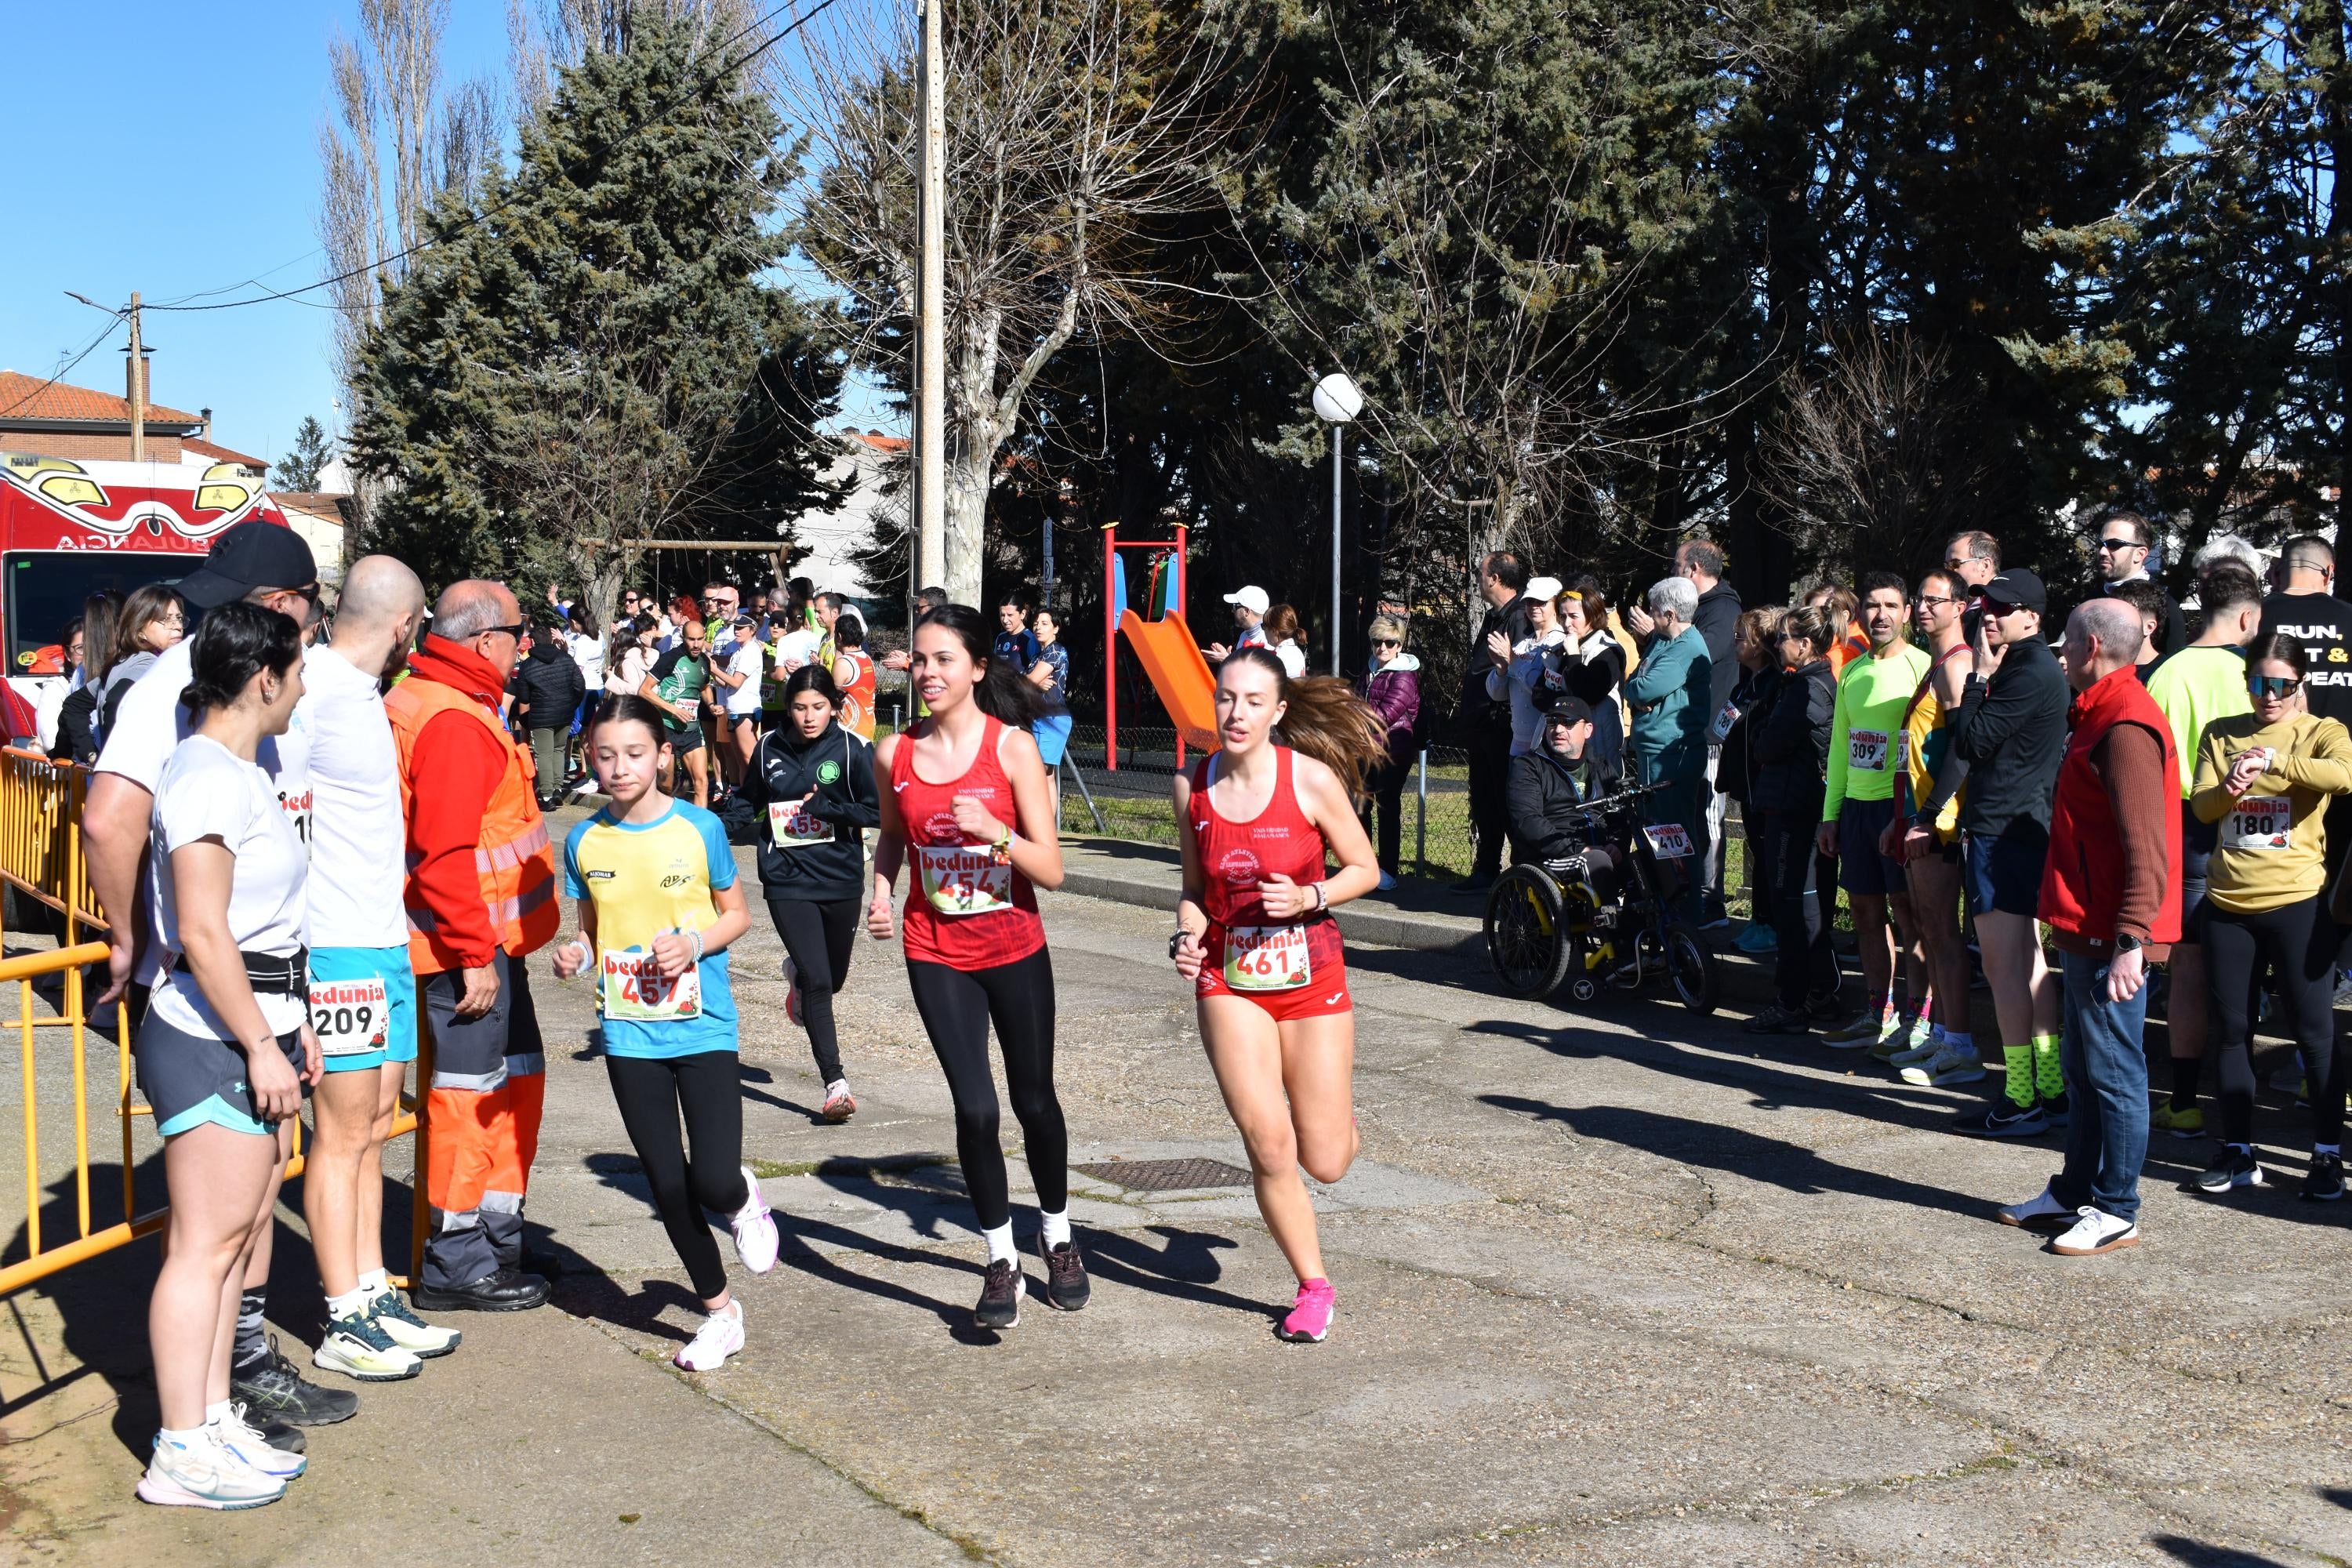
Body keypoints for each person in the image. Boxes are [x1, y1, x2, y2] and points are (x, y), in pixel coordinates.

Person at [83, 521, 352, 1437]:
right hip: (208, 1002)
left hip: (257, 996)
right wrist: (130, 941)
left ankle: (230, 1383)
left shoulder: (237, 716)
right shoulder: (185, 706)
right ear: (280, 617)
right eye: (306, 621)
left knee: (245, 1211)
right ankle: (199, 1416)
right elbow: (111, 819)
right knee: (210, 1233)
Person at [131, 602, 319, 1509]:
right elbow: (204, 931)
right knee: (204, 1248)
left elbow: (265, 925)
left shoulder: (235, 771)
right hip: (211, 1035)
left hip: (255, 1022)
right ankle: (179, 1444)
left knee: (237, 1238)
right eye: (299, 669)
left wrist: (295, 1025)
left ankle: (208, 1421)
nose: (303, 686)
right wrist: (259, 1040)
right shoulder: (206, 775)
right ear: (263, 679)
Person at [866, 604, 1080, 1330]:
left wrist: (998, 836)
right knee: (976, 1109)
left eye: (944, 659)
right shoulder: (893, 752)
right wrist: (880, 892)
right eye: (919, 659)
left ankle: (1056, 1235)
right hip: (935, 948)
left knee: (1035, 1103)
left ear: (979, 668)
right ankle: (999, 1261)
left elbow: (1050, 870)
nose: (927, 672)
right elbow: (893, 837)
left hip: (1015, 946)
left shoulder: (1013, 750)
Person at [554, 695, 780, 1370]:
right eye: (604, 755)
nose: (618, 768)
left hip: (703, 1024)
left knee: (710, 1178)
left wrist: (693, 943)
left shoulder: (699, 828)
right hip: (627, 1030)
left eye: (633, 754)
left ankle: (741, 1199)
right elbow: (593, 934)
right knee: (666, 1181)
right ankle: (720, 1314)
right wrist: (576, 956)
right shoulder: (583, 841)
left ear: (660, 756)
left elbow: (736, 915)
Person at [1171, 648, 1385, 1342]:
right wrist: (1184, 934)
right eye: (1227, 699)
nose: (1236, 714)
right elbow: (1194, 894)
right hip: (1229, 977)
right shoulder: (1192, 786)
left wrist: (1309, 895)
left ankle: (1339, 1122)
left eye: (1253, 702)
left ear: (1279, 712)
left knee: (1323, 1159)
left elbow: (1366, 869)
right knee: (1268, 1142)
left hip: (1310, 972)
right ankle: (1313, 1286)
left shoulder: (1311, 781)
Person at [296, 557, 460, 1385]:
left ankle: (369, 1287)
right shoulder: (313, 688)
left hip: (380, 937)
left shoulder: (357, 694)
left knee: (371, 1128)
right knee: (342, 1130)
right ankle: (342, 1314)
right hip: (337, 946)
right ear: (406, 624)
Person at [390, 580, 561, 1314]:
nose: (525, 644)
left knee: (510, 1085)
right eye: (519, 632)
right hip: (467, 954)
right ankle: (459, 1264)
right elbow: (444, 854)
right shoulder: (453, 720)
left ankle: (494, 1234)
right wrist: (472, 953)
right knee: (468, 1102)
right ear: (488, 639)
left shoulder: (434, 700)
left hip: (488, 948)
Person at [1998, 598, 2180, 1257]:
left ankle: (2117, 1207)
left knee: (2114, 1071)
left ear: (2094, 645)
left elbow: (2147, 846)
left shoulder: (2125, 722)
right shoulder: (2098, 711)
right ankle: (2076, 1191)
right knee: (2081, 1067)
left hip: (2113, 934)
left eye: (2067, 642)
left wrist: (2133, 939)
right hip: (2087, 926)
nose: (2059, 651)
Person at [2188, 635, 2352, 1200]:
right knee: (2233, 1033)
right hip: (2229, 906)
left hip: (2299, 903)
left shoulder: (2322, 732)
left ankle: (2328, 1155)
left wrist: (2278, 760)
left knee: (2315, 1034)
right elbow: (2202, 807)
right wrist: (2232, 787)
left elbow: (2342, 777)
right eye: (2260, 684)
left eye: (2281, 685)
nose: (2269, 696)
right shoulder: (2221, 732)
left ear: (2300, 684)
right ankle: (2238, 1151)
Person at [1921, 568, 2071, 1136]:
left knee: (2009, 969)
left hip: (2004, 830)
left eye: (2005, 607)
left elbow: (1972, 742)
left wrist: (1977, 680)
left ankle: (2021, 1095)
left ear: (2032, 617)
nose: (1992, 613)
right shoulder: (2031, 666)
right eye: (1988, 603)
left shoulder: (2026, 670)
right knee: (2028, 965)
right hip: (2014, 826)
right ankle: (2050, 1090)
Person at [2142, 564, 2262, 1138]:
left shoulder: (2168, 672)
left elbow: (2152, 759)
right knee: (2253, 957)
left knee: (2186, 964)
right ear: (2246, 616)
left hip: (2185, 824)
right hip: (2254, 826)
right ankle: (2244, 1094)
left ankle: (2185, 1100)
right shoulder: (2262, 674)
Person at [742, 667, 880, 1123]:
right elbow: (747, 800)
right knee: (820, 980)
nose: (808, 717)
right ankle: (835, 1083)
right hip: (786, 878)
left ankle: (797, 978)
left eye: (818, 707)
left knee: (831, 978)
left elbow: (877, 812)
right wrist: (715, 822)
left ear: (834, 707)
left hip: (840, 879)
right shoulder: (768, 748)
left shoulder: (852, 749)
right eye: (800, 707)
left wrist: (833, 810)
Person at [1814, 572, 1931, 1054]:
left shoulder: (1923, 667)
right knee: (1864, 911)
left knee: (1910, 914)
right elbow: (1841, 746)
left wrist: (1914, 812)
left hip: (1901, 807)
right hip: (1857, 809)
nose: (1880, 614)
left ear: (1906, 613)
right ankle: (1876, 1012)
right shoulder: (1854, 672)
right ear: (1859, 613)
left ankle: (1918, 1016)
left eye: (1890, 605)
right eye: (1872, 605)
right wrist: (1831, 813)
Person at [1885, 568, 1978, 1085]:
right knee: (1929, 928)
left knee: (1943, 932)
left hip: (1941, 825)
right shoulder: (1937, 665)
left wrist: (1930, 817)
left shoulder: (1956, 666)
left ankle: (1960, 1045)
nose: (1921, 608)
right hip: (1921, 818)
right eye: (1917, 599)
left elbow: (1961, 751)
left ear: (1959, 606)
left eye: (1932, 600)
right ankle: (1943, 1037)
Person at [1632, 541, 1742, 927]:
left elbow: (1644, 687)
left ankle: (1703, 903)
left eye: (1676, 565)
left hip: (1694, 741)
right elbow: (1640, 676)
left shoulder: (1717, 614)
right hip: (1663, 746)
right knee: (1669, 828)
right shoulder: (1672, 636)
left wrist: (1642, 684)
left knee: (1700, 822)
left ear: (1693, 570)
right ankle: (1673, 901)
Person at [1745, 608, 1842, 1033]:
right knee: (1802, 904)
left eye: (1784, 637)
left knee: (1791, 904)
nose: (1777, 643)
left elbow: (1767, 745)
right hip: (1798, 805)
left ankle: (1792, 999)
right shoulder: (1809, 683)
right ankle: (1819, 990)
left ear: (1805, 645)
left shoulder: (1808, 688)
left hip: (1794, 809)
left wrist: (1764, 728)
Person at [1623, 577, 1713, 919]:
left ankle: (1685, 915)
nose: (1649, 614)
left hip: (1672, 755)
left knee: (1674, 834)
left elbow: (1642, 690)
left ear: (1670, 614)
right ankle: (1665, 908)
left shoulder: (1687, 648)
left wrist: (1638, 691)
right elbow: (1636, 680)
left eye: (1654, 610)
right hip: (1654, 751)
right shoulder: (1663, 640)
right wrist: (1638, 689)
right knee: (1657, 830)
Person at [1455, 552, 1534, 893]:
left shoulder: (1518, 618)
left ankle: (1519, 876)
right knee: (1485, 799)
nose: (1476, 578)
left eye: (1480, 572)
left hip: (1502, 728)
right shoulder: (1494, 616)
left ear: (1495, 579)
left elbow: (1517, 668)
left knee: (1505, 801)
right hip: (1481, 726)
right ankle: (1486, 869)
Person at [1719, 604, 1784, 955]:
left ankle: (1769, 923)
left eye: (1740, 638)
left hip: (1765, 787)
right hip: (1746, 787)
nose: (1735, 644)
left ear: (1759, 645)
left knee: (1768, 857)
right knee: (1756, 852)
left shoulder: (1775, 685)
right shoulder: (1746, 684)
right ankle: (1759, 921)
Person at [1506, 692, 1625, 867]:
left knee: (1652, 861)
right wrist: (1580, 850)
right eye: (1552, 722)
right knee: (1598, 862)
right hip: (1549, 859)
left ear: (1588, 730)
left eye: (1568, 722)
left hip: (1600, 851)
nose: (1558, 729)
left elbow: (1619, 815)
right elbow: (1528, 821)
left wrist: (1617, 845)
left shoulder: (1602, 767)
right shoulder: (1528, 766)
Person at [1358, 615, 1421, 889]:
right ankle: (1363, 865)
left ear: (1399, 645)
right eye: (1377, 642)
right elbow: (1355, 697)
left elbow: (1386, 714)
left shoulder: (1405, 676)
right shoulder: (1370, 669)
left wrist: (1351, 716)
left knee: (1387, 808)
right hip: (1365, 748)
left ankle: (1388, 872)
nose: (1382, 648)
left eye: (1389, 642)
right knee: (1360, 806)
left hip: (1392, 751)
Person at [1484, 575, 1568, 758]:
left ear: (1556, 604)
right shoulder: (1521, 645)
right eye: (1530, 602)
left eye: (1542, 602)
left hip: (1546, 741)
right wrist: (1500, 669)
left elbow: (1543, 690)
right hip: (1518, 740)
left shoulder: (1561, 643)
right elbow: (1497, 694)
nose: (1534, 607)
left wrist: (1513, 661)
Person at [510, 613, 586, 811]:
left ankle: (546, 795)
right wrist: (571, 704)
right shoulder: (566, 659)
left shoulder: (528, 665)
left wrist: (526, 718)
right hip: (565, 712)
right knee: (559, 750)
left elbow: (524, 696)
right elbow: (580, 685)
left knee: (543, 754)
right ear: (551, 640)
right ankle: (558, 788)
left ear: (533, 642)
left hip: (542, 714)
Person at [2090, 508, 2188, 655]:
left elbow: (2173, 669)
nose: (2103, 552)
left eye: (2114, 544)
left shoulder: (2166, 608)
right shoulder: (2090, 600)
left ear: (2140, 554)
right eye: (2101, 544)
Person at [640, 616, 713, 808]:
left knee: (702, 782)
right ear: (683, 638)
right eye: (691, 640)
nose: (696, 645)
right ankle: (661, 825)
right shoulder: (670, 659)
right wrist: (673, 709)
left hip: (692, 731)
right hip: (667, 728)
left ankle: (700, 830)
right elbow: (644, 691)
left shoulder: (704, 661)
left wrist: (712, 705)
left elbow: (704, 687)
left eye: (700, 639)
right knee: (666, 785)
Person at [99, 585, 187, 738]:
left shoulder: (125, 660)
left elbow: (76, 704)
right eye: (166, 620)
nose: (178, 626)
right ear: (139, 629)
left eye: (179, 618)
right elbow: (115, 701)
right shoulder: (148, 663)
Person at [1559, 583, 1626, 769]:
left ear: (1592, 616)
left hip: (1600, 745)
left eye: (1574, 616)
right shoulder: (1564, 647)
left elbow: (1587, 695)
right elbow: (1541, 694)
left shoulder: (1609, 650)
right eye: (1562, 616)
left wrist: (1573, 656)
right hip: (1569, 742)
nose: (1566, 623)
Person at [1025, 608, 1073, 823]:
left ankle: (1043, 826)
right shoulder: (1037, 656)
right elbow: (1028, 681)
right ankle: (1046, 826)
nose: (1038, 627)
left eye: (1044, 623)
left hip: (1053, 719)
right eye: (1036, 623)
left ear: (1056, 628)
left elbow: (1026, 682)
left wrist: (1029, 682)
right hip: (1037, 716)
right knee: (1046, 776)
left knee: (1041, 771)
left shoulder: (1056, 651)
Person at [720, 612, 767, 782]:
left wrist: (715, 669)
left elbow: (736, 682)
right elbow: (726, 682)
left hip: (745, 709)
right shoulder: (739, 652)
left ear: (753, 630)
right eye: (736, 627)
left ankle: (762, 799)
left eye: (741, 628)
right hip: (734, 708)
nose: (737, 631)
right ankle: (743, 800)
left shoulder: (751, 651)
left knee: (750, 758)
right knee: (741, 760)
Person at [1944, 532, 2001, 641]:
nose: (1948, 571)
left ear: (1985, 566)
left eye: (1955, 564)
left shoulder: (2003, 610)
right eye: (1946, 565)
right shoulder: (1964, 607)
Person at [2106, 579, 2166, 677]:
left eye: (2122, 617)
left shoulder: (2163, 673)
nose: (2111, 623)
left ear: (2148, 627)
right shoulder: (2103, 670)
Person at [834, 615, 879, 742]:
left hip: (849, 733)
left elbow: (831, 698)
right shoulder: (867, 659)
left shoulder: (843, 664)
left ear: (839, 637)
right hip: (868, 729)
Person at [1206, 585, 1272, 662]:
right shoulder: (1244, 635)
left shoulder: (1269, 639)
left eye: (1235, 606)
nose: (1232, 611)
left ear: (1247, 611)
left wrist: (1227, 660)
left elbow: (1260, 673)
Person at [994, 593, 1040, 675]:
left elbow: (1037, 675)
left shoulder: (1031, 639)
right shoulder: (1000, 637)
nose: (1005, 620)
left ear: (1022, 614)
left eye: (1010, 615)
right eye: (1002, 615)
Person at [1261, 604, 1310, 679]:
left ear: (1274, 631)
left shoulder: (1278, 657)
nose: (1263, 630)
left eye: (1264, 626)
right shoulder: (1297, 652)